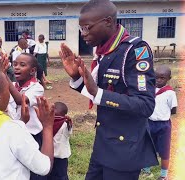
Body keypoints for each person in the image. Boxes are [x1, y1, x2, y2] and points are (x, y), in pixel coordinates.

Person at [60, 0, 158, 179]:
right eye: (81, 28)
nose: (83, 34)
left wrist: (98, 92)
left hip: (124, 150)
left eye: (88, 28)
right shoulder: (106, 52)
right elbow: (99, 93)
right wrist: (76, 77)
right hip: (103, 145)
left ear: (108, 22)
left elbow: (145, 105)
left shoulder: (134, 50)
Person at [6, 53, 46, 180]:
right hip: (14, 135)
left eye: (22, 65)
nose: (16, 67)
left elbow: (21, 101)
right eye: (15, 64)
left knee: (35, 172)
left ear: (32, 71)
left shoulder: (37, 88)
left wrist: (4, 78)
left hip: (32, 136)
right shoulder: (12, 85)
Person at [142, 65, 177, 180]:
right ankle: (146, 171)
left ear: (169, 78)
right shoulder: (149, 88)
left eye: (162, 78)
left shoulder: (170, 93)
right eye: (156, 77)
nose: (158, 80)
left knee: (164, 150)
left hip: (163, 125)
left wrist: (162, 115)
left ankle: (163, 175)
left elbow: (173, 110)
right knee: (147, 146)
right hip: (149, 123)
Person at [47, 102, 72, 180]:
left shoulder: (64, 124)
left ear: (64, 116)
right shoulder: (47, 123)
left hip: (60, 158)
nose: (55, 118)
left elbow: (69, 133)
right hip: (49, 156)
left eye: (58, 116)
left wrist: (68, 123)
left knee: (60, 176)